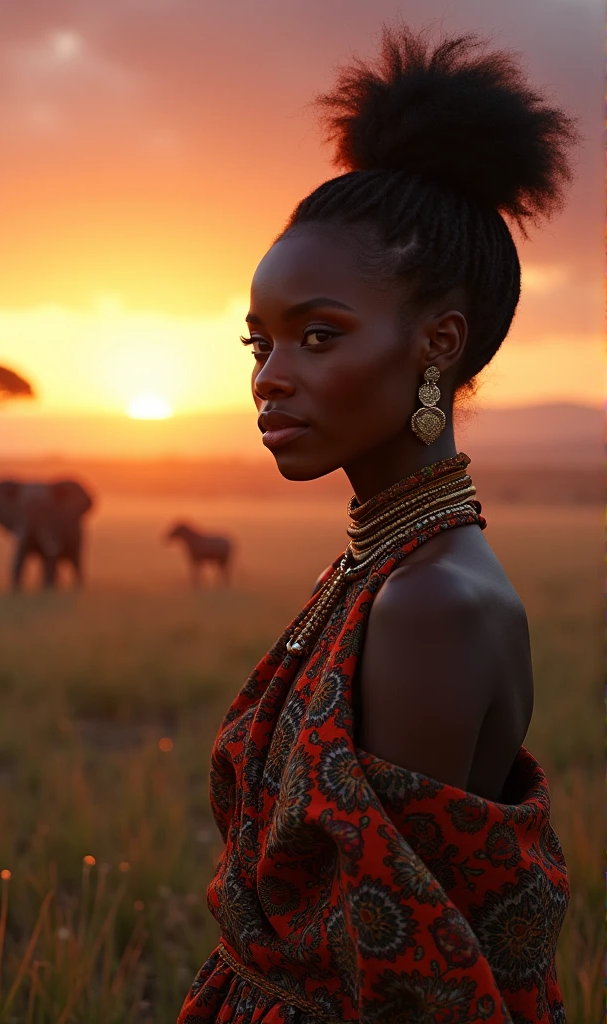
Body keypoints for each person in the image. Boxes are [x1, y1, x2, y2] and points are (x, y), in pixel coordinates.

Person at [178, 24, 577, 1024]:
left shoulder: (429, 602)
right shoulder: (386, 564)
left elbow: (393, 977)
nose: (270, 377)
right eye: (258, 341)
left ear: (435, 344)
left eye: (318, 335)